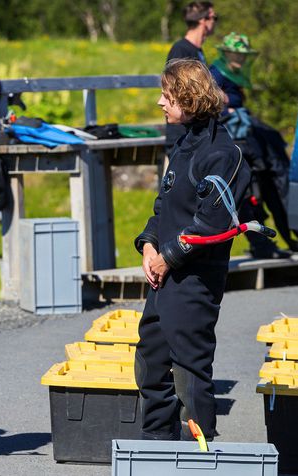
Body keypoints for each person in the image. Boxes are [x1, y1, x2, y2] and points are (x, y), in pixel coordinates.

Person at [134, 59, 250, 441]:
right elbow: (163, 207)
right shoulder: (184, 144)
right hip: (162, 277)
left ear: (189, 98)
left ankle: (198, 453)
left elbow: (211, 226)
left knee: (189, 372)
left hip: (194, 280)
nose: (159, 103)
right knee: (151, 360)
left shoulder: (223, 153)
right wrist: (149, 246)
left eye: (167, 96)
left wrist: (167, 257)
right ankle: (156, 443)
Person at [209, 32, 298, 256]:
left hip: (247, 137)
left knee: (272, 177)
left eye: (243, 54)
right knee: (252, 191)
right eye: (236, 53)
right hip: (236, 140)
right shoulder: (217, 73)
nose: (240, 58)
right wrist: (226, 105)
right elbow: (210, 101)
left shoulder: (233, 73)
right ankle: (266, 242)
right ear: (226, 53)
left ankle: (284, 236)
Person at [165, 2, 218, 147]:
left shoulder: (196, 51)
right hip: (183, 134)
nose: (215, 22)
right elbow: (176, 92)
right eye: (214, 17)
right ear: (203, 21)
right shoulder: (181, 50)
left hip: (194, 132)